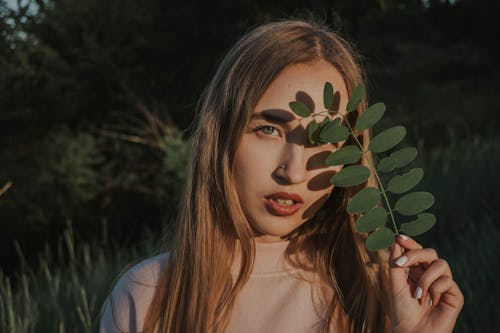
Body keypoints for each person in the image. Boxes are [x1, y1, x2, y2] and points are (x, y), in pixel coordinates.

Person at [99, 19, 463, 333]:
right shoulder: (151, 294)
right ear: (222, 134)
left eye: (325, 140)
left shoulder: (380, 293)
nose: (294, 171)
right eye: (269, 130)